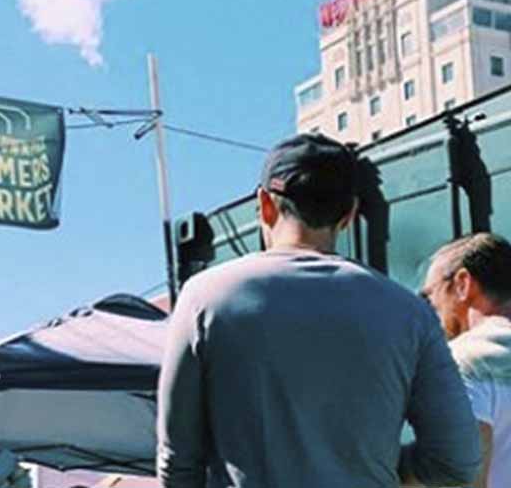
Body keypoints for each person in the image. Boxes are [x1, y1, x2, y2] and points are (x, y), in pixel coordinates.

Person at [156, 134, 480, 487]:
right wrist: (377, 464)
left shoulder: (204, 297)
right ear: (349, 214)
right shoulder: (409, 313)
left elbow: (178, 462)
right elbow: (458, 461)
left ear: (265, 204)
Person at [420, 233, 511, 488]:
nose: (432, 312)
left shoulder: (463, 359)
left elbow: (466, 478)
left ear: (462, 283)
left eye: (431, 297)